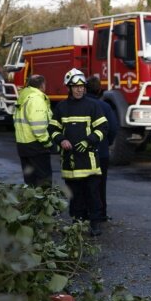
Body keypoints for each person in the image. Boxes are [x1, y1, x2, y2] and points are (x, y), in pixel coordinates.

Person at [48, 68, 106, 237]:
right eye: (76, 86)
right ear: (69, 87)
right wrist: (61, 140)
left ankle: (95, 224)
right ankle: (77, 224)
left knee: (93, 195)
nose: (80, 89)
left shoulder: (93, 106)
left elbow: (103, 127)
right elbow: (52, 128)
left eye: (82, 86)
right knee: (75, 196)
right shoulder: (62, 107)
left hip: (89, 161)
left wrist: (89, 140)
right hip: (70, 162)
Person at [85, 75, 118, 222]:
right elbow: (113, 128)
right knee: (100, 184)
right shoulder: (105, 106)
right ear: (99, 89)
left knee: (83, 184)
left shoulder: (80, 105)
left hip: (83, 152)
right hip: (102, 152)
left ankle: (84, 213)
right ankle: (101, 213)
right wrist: (107, 142)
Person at [14, 74, 53, 187]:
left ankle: (32, 204)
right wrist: (47, 142)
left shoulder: (23, 97)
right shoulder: (36, 99)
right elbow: (38, 125)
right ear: (42, 85)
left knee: (30, 182)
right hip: (36, 146)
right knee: (43, 181)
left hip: (23, 144)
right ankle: (42, 205)